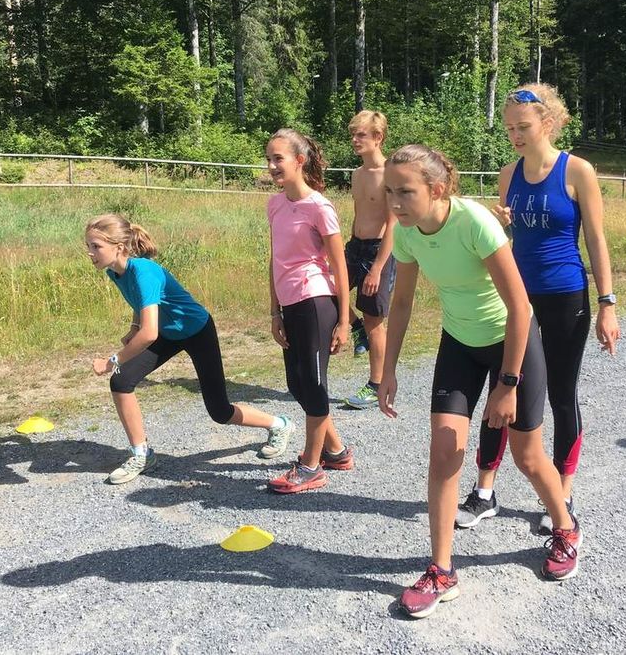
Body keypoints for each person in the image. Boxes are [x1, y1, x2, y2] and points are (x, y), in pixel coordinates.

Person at [377, 144, 581, 619]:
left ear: (437, 189)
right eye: (390, 192)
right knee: (445, 449)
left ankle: (565, 526)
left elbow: (521, 308)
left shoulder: (475, 223)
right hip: (460, 343)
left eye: (405, 192)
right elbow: (402, 302)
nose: (395, 202)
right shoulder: (406, 233)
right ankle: (442, 569)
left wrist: (507, 384)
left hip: (512, 342)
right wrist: (387, 369)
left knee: (527, 456)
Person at [459, 84, 620, 535]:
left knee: (560, 394)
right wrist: (501, 227)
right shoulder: (508, 174)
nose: (515, 135)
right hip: (516, 302)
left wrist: (608, 304)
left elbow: (596, 240)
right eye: (509, 127)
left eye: (523, 126)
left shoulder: (578, 171)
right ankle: (485, 492)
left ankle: (562, 493)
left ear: (547, 123)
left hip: (565, 295)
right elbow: (506, 244)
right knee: (501, 388)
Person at [86, 213, 294, 485]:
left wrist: (113, 360)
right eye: (88, 247)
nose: (90, 253)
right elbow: (141, 305)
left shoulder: (143, 271)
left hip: (197, 330)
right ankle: (141, 453)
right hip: (167, 333)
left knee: (220, 411)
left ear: (119, 247)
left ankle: (279, 425)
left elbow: (149, 333)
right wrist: (134, 326)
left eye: (96, 246)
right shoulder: (115, 271)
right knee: (122, 381)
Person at [266, 128, 355, 494]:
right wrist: (274, 312)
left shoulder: (320, 206)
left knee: (315, 385)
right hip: (289, 304)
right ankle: (335, 450)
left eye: (278, 159)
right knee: (296, 384)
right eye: (269, 159)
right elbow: (274, 260)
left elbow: (339, 263)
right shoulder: (274, 204)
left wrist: (345, 320)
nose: (272, 166)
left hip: (316, 300)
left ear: (299, 161)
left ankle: (310, 467)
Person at [342, 110, 397, 409]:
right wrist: (346, 249)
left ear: (378, 137)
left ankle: (376, 384)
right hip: (355, 246)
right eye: (353, 134)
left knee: (375, 320)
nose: (354, 139)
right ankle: (355, 327)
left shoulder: (390, 173)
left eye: (360, 134)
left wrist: (377, 267)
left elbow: (393, 223)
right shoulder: (357, 174)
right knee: (326, 290)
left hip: (380, 251)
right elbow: (358, 214)